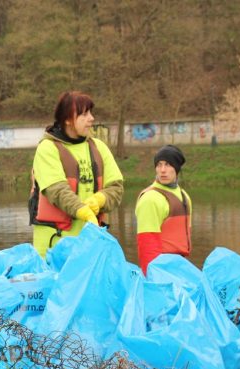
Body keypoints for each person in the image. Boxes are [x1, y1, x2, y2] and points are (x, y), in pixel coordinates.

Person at [28, 91, 123, 257]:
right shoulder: (47, 148)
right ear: (67, 119)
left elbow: (116, 188)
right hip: (54, 246)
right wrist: (84, 211)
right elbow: (57, 191)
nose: (91, 118)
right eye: (84, 114)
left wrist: (100, 199)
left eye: (91, 113)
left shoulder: (99, 147)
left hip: (90, 244)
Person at [134, 145, 191, 275]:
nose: (163, 170)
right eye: (159, 165)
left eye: (168, 165)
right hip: (161, 271)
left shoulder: (184, 196)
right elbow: (147, 246)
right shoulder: (150, 199)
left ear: (177, 168)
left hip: (180, 267)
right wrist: (152, 278)